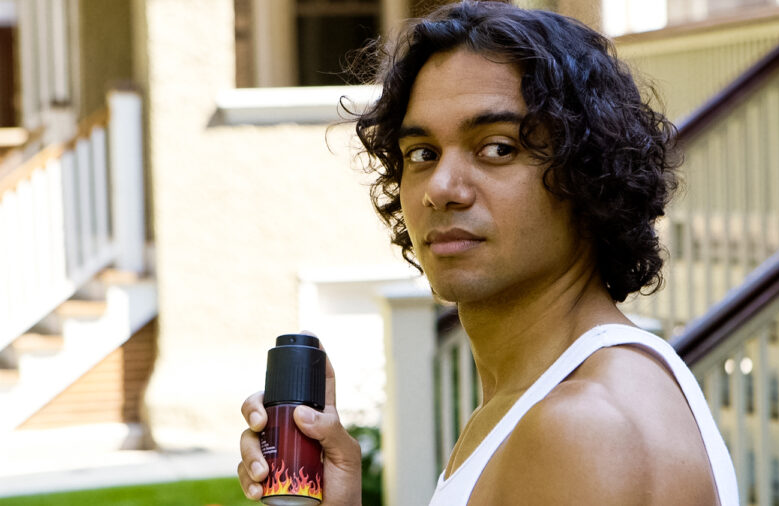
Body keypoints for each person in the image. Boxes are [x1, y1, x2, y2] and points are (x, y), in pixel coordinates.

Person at [239, 1, 739, 504]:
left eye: (498, 148)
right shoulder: (543, 396)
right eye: (422, 153)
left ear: (589, 174)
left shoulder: (581, 428)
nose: (441, 187)